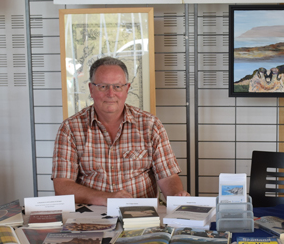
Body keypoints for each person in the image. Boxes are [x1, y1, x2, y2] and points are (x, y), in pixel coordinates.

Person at [52, 57, 190, 205]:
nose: (111, 94)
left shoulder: (150, 125)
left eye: (117, 86)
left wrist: (177, 196)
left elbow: (168, 176)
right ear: (91, 89)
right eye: (103, 86)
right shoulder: (70, 129)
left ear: (127, 89)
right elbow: (62, 186)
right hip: (91, 218)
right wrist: (106, 198)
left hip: (141, 216)